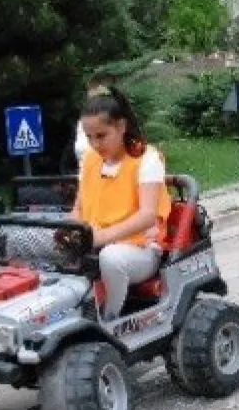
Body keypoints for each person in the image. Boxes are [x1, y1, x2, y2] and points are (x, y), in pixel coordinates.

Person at [68, 85, 171, 321]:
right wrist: (71, 231)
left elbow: (147, 216)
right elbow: (79, 209)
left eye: (101, 135)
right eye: (89, 137)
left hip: (141, 249)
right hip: (94, 241)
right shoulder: (90, 160)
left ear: (122, 127)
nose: (94, 144)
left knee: (111, 258)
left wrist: (101, 237)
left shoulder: (147, 158)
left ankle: (110, 318)